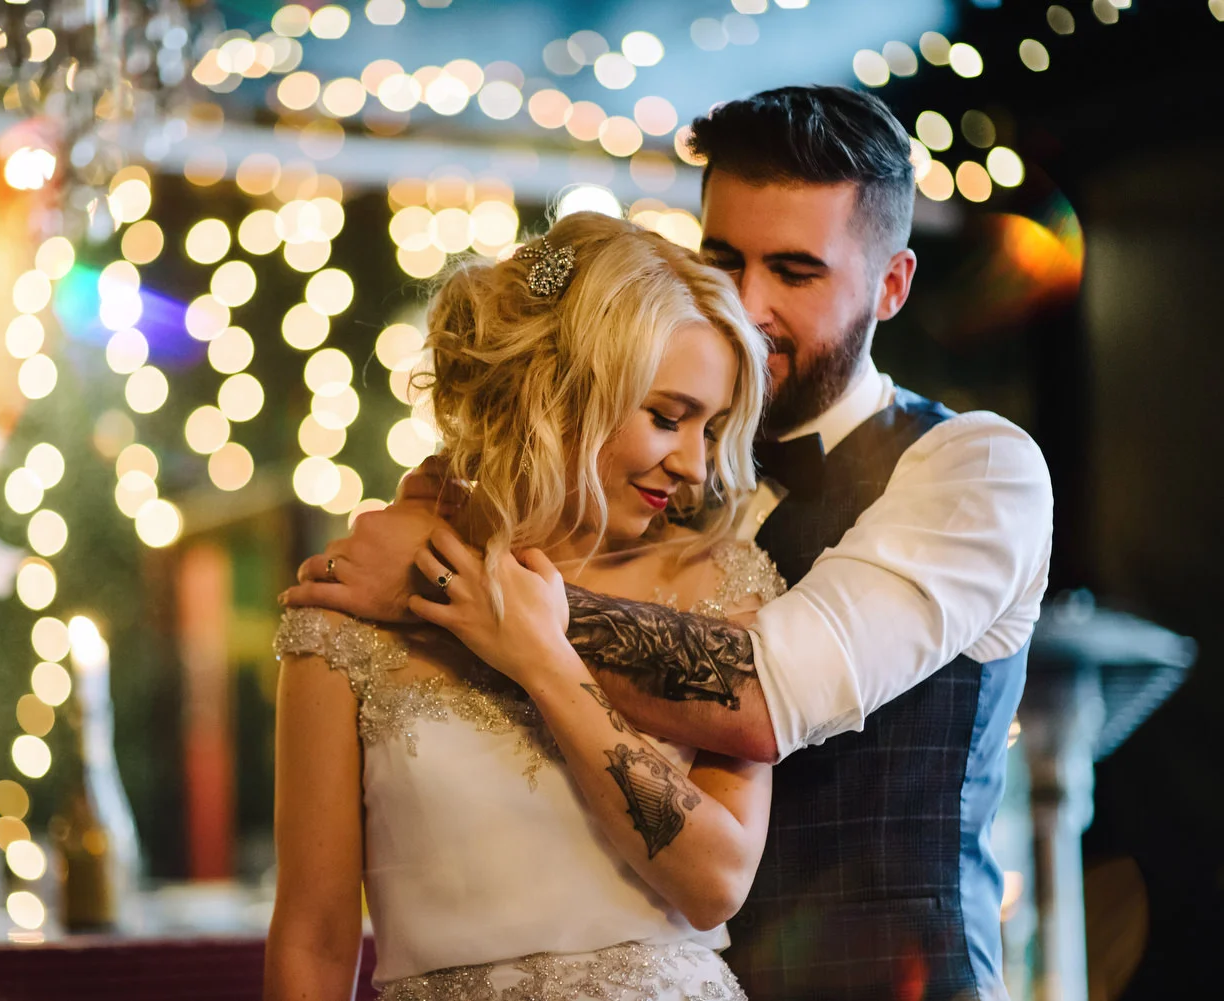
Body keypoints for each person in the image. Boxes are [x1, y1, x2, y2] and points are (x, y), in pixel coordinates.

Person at [283, 86, 1054, 1001]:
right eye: (724, 258)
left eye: (796, 272)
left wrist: (451, 586)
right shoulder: (645, 484)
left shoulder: (975, 468)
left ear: (891, 285)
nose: (750, 304)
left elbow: (766, 691)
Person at [264, 212, 785, 1000]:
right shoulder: (352, 601)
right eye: (667, 416)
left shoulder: (718, 586)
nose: (695, 463)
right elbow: (314, 934)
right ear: (562, 389)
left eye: (711, 427)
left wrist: (542, 656)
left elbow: (716, 882)